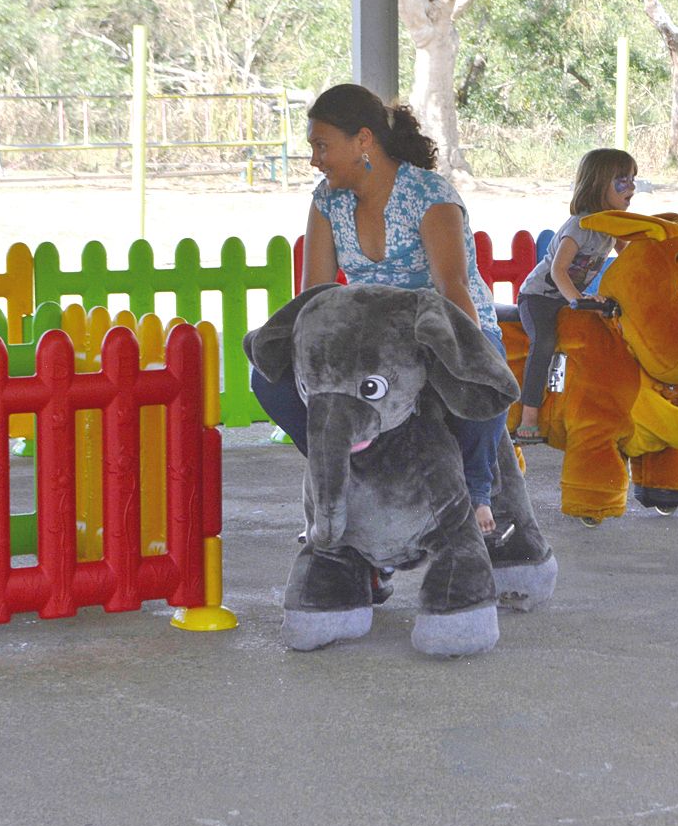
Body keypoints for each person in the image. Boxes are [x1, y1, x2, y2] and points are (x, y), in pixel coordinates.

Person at [251, 83, 506, 535]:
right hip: (368, 343)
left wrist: (472, 353)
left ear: (363, 141)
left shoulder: (430, 195)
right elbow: (316, 292)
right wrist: (288, 349)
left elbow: (454, 288)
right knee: (268, 379)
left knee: (481, 371)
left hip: (439, 327)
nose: (314, 160)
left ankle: (476, 492)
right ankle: (350, 472)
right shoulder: (327, 201)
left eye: (322, 146)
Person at [512, 148, 637, 445]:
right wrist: (577, 301)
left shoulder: (613, 226)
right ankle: (529, 416)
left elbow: (629, 258)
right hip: (540, 297)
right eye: (622, 181)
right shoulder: (579, 226)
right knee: (544, 341)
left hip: (571, 298)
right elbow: (558, 270)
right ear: (598, 183)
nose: (631, 187)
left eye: (633, 179)